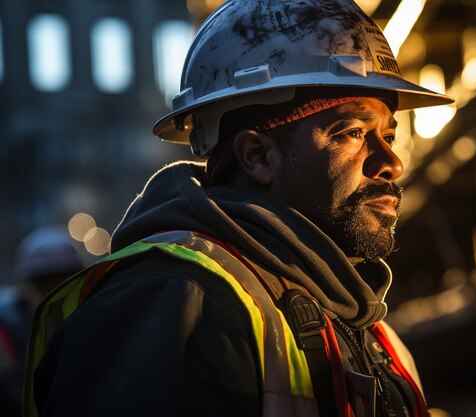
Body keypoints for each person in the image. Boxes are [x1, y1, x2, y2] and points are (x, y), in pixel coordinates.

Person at [24, 1, 453, 416]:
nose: (391, 164)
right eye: (353, 132)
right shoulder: (174, 299)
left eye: (389, 136)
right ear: (257, 157)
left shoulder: (370, 329)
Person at [0, 226, 83, 417]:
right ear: (31, 285)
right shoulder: (8, 328)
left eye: (64, 281)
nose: (55, 291)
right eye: (47, 282)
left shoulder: (84, 321)